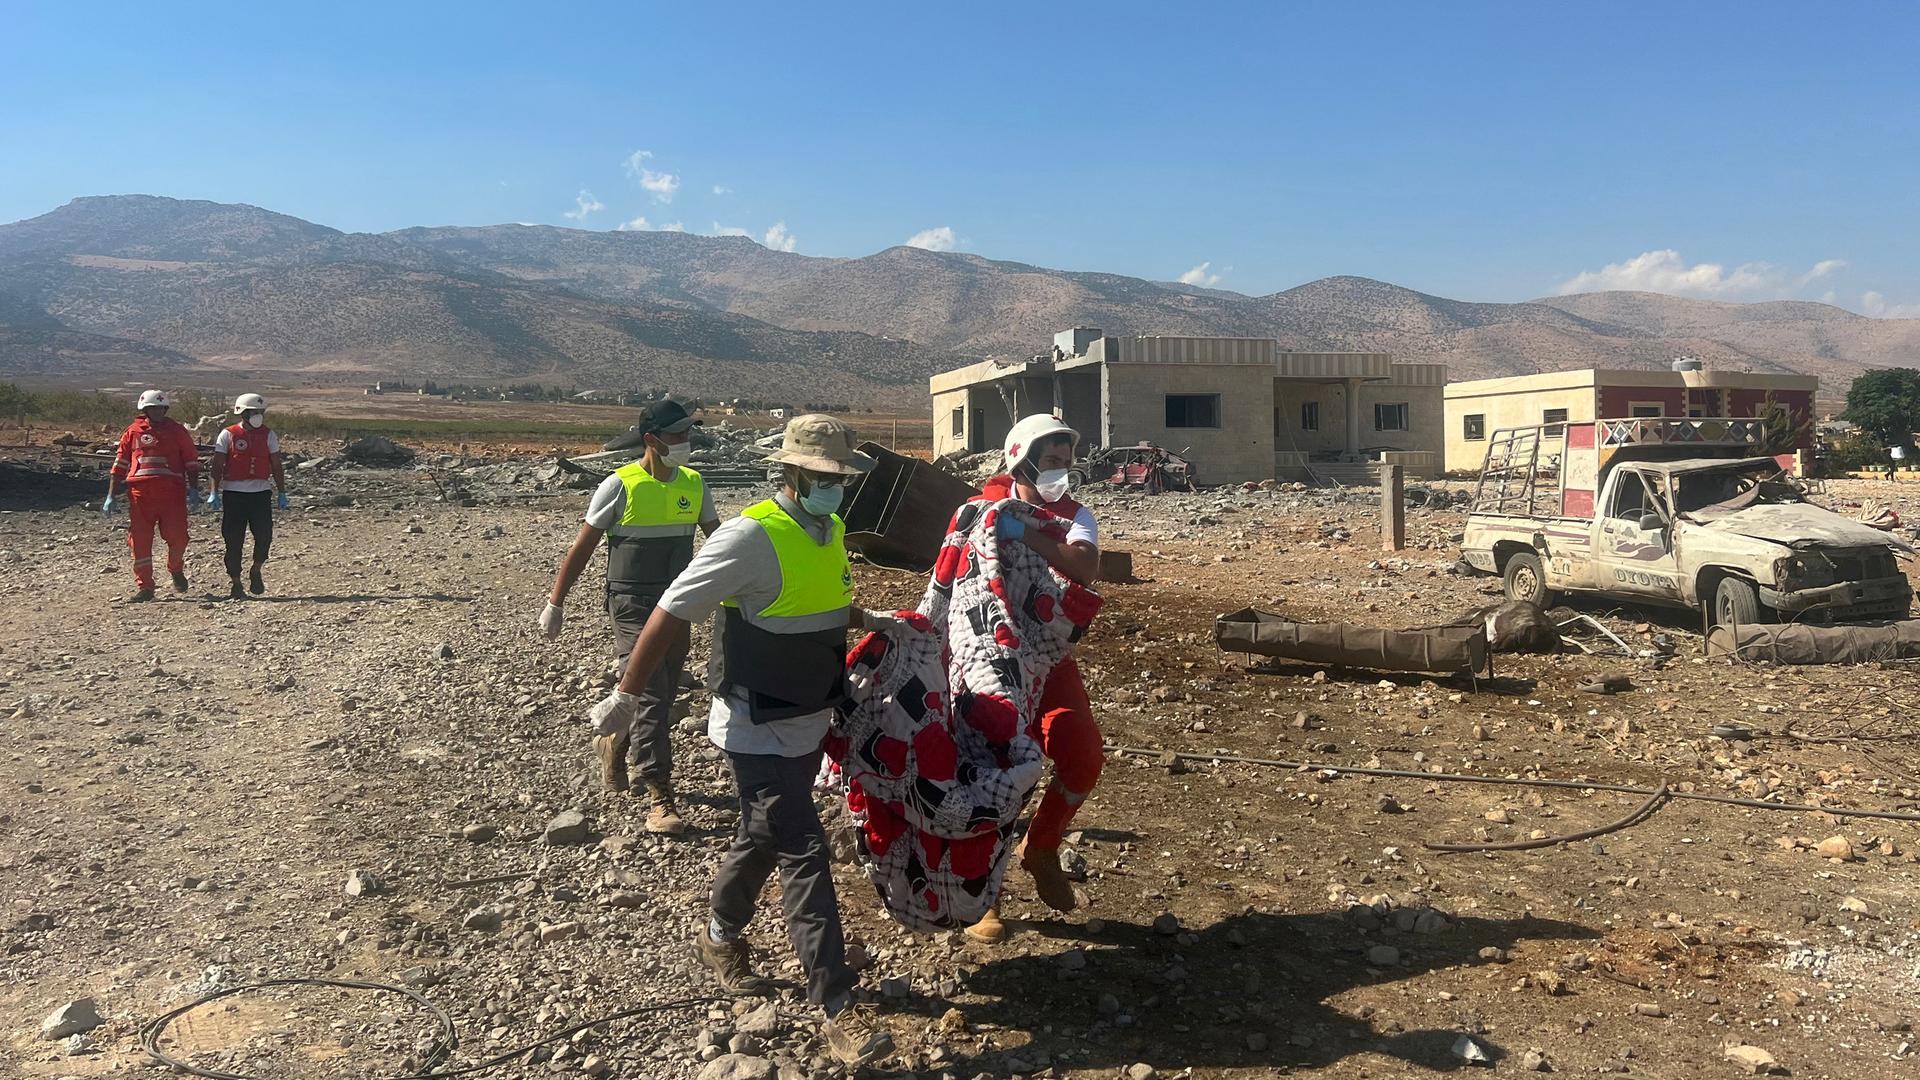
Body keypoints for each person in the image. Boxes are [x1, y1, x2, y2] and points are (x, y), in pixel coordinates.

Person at [589, 413, 908, 1068]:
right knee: (802, 847)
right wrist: (627, 693)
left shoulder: (832, 528)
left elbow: (811, 597)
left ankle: (720, 935)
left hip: (809, 712)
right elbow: (669, 608)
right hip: (753, 722)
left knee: (763, 833)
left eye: (841, 477)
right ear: (791, 471)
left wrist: (865, 617)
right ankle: (837, 1007)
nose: (835, 487)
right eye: (823, 476)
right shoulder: (746, 536)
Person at [541, 397, 719, 834]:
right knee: (655, 691)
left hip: (678, 603)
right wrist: (555, 602)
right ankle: (659, 792)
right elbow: (583, 547)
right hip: (632, 603)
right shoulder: (619, 485)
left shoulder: (694, 484)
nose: (686, 441)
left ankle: (615, 743)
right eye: (678, 435)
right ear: (651, 440)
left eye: (688, 433)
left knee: (661, 688)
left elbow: (718, 545)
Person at [965, 413, 1104, 943]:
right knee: (998, 770)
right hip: (992, 658)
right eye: (1050, 461)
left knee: (1082, 754)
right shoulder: (982, 510)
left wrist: (1025, 530)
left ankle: (1041, 847)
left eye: (1066, 462)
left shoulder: (1074, 515)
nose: (1060, 471)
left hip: (1048, 660)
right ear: (1020, 459)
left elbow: (1085, 565)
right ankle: (983, 897)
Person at [105, 390, 201, 602]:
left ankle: (175, 569)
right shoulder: (133, 432)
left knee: (178, 538)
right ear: (145, 409)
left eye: (161, 408)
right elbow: (120, 463)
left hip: (172, 495)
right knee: (140, 542)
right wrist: (111, 494)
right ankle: (145, 587)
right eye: (153, 408)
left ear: (165, 409)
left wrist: (194, 489)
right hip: (141, 496)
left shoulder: (177, 431)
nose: (157, 411)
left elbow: (191, 461)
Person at [206, 393, 289, 600]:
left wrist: (282, 491)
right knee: (233, 540)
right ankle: (235, 582)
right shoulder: (228, 434)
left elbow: (276, 465)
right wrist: (213, 491)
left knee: (264, 536)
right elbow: (217, 465)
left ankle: (256, 568)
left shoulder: (269, 435)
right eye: (253, 412)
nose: (257, 416)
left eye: (260, 412)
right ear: (242, 413)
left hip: (260, 494)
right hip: (234, 495)